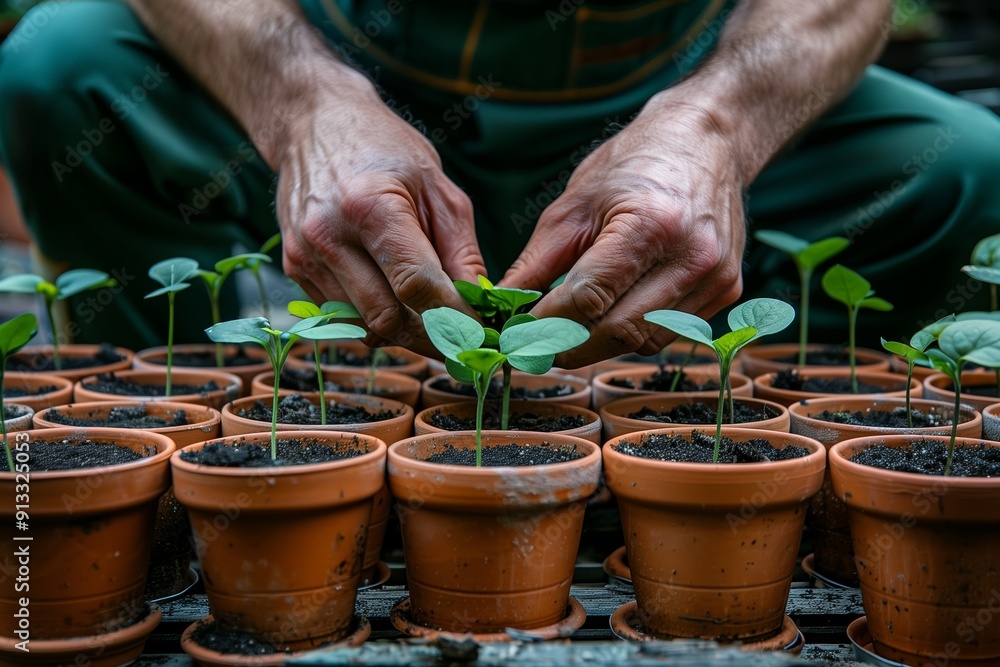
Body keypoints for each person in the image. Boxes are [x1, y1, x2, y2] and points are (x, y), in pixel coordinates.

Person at [1, 0, 998, 366]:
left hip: (678, 87)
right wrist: (301, 101)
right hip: (324, 52)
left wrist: (716, 127)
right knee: (64, 63)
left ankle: (711, 436)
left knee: (959, 169)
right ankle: (171, 436)